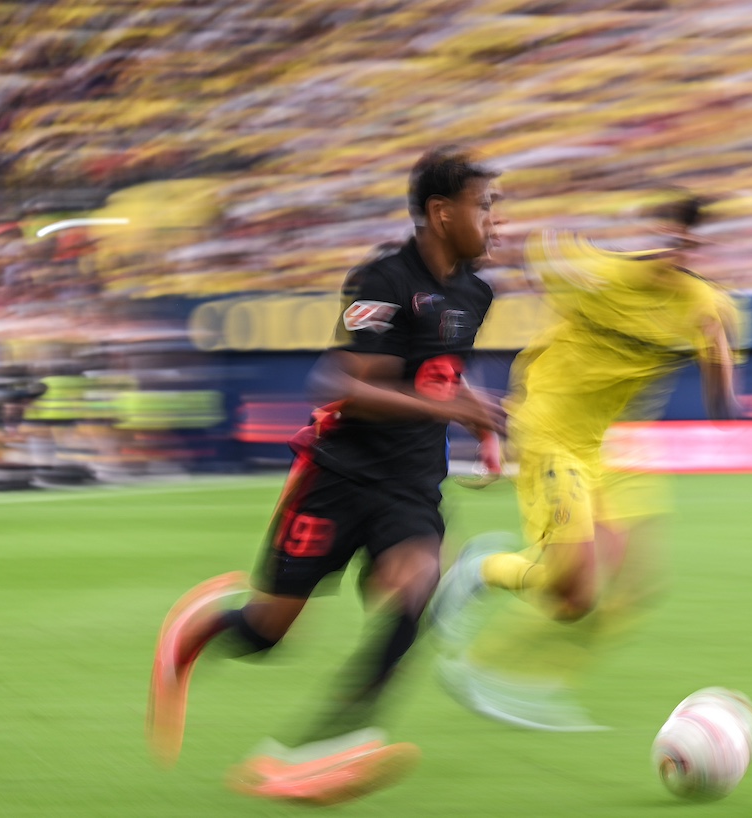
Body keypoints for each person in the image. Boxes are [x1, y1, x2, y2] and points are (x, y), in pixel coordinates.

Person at [147, 146, 507, 804]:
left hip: (410, 487)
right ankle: (196, 631)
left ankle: (321, 749)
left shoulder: (475, 294)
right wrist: (449, 405)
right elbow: (341, 383)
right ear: (440, 211)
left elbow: (442, 373)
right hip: (339, 478)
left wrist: (477, 417)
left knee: (419, 587)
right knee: (266, 634)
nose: (496, 221)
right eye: (485, 206)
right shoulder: (382, 282)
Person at [431, 190, 742, 729]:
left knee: (623, 586)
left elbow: (725, 411)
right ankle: (480, 578)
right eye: (668, 232)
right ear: (652, 234)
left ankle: (539, 679)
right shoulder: (595, 271)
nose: (676, 245)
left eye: (688, 237)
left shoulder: (706, 307)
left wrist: (716, 354)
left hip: (603, 445)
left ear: (698, 245)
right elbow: (528, 254)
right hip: (548, 431)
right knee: (572, 589)